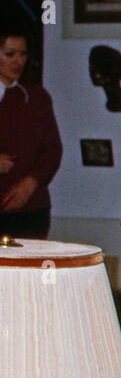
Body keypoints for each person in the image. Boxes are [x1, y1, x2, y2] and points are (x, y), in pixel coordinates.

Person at [0, 23, 62, 240]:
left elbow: (52, 150)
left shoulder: (36, 97)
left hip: (31, 210)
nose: (19, 61)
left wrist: (32, 181)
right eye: (10, 54)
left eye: (23, 54)